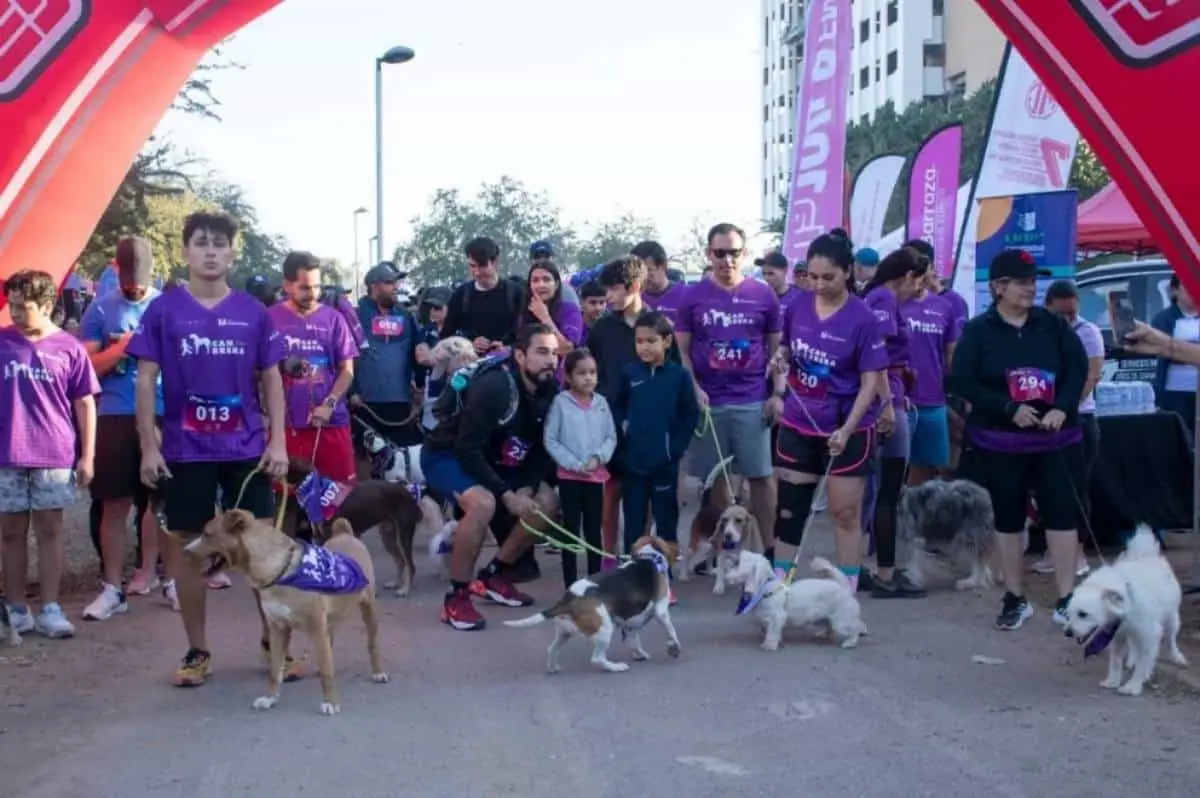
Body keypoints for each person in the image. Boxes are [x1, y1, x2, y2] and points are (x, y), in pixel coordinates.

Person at [127, 210, 291, 686]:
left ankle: (273, 644)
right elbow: (144, 379)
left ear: (233, 253)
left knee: (260, 548)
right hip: (184, 449)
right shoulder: (163, 310)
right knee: (188, 553)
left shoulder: (253, 313)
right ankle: (197, 652)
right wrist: (148, 448)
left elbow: (272, 378)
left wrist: (277, 439)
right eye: (201, 243)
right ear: (185, 252)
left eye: (220, 243)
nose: (211, 251)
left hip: (245, 450)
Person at [947, 248, 1089, 631]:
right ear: (998, 287)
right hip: (1001, 441)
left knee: (1061, 515)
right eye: (1022, 282)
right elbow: (960, 380)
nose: (1031, 288)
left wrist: (1062, 406)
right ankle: (1015, 597)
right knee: (1008, 519)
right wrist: (1008, 408)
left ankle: (1067, 599)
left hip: (1055, 439)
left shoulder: (1052, 325)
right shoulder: (979, 330)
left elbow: (1078, 368)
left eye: (1033, 281)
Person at [421, 324, 561, 631]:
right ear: (521, 356)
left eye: (554, 353)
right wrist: (507, 495)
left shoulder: (550, 389)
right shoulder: (496, 387)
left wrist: (528, 485)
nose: (551, 360)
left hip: (496, 459)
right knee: (483, 504)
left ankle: (494, 576)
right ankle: (456, 598)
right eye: (542, 352)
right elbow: (467, 448)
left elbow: (542, 446)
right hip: (448, 455)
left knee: (546, 500)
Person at [770, 233, 885, 588]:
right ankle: (779, 591)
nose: (819, 285)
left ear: (848, 272)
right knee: (790, 510)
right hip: (798, 423)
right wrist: (781, 357)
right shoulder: (798, 306)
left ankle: (846, 597)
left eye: (828, 277)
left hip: (846, 430)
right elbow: (788, 347)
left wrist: (847, 429)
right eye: (813, 277)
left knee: (844, 513)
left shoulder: (863, 318)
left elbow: (871, 383)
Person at [0, 270, 99, 639]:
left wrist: (87, 456)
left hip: (54, 453)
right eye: (10, 306)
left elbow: (85, 403)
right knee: (10, 532)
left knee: (50, 529)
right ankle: (15, 609)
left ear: (45, 305)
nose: (14, 314)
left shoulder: (69, 348)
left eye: (22, 307)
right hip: (6, 452)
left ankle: (51, 608)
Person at [676, 223, 781, 558]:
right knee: (715, 483)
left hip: (752, 400)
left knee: (761, 478)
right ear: (709, 254)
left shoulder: (763, 295)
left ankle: (769, 550)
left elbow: (780, 352)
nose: (726, 260)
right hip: (710, 403)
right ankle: (727, 552)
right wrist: (693, 388)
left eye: (733, 252)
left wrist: (778, 393)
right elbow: (680, 351)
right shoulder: (691, 297)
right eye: (719, 253)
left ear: (744, 254)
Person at [79, 237, 167, 621]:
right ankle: (112, 588)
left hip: (162, 412)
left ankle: (156, 574)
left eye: (142, 280)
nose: (136, 287)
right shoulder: (100, 307)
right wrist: (122, 349)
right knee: (114, 503)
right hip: (115, 412)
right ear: (116, 269)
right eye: (129, 279)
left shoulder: (167, 307)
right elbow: (85, 370)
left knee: (160, 502)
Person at [268, 252, 358, 533]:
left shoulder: (334, 319)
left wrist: (330, 404)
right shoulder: (270, 319)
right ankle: (291, 570)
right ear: (287, 284)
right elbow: (257, 371)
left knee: (338, 501)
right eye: (305, 287)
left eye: (317, 286)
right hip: (287, 428)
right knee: (286, 503)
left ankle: (341, 565)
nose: (313, 293)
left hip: (330, 424)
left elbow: (347, 370)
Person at [614, 311, 700, 590]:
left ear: (666, 341)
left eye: (651, 341)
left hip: (665, 464)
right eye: (639, 341)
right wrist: (623, 447)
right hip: (634, 463)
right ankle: (632, 575)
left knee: (666, 520)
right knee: (634, 521)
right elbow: (616, 410)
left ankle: (664, 578)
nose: (644, 347)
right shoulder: (629, 373)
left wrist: (674, 449)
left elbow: (689, 416)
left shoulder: (678, 376)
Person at [860, 247, 927, 598]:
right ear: (906, 276)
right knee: (888, 491)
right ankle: (884, 572)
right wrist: (887, 403)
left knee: (878, 490)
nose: (918, 291)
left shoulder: (873, 297)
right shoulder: (884, 300)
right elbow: (878, 356)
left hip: (883, 398)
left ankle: (872, 566)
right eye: (917, 282)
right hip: (886, 402)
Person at [587, 256, 649, 570]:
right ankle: (608, 557)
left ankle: (642, 559)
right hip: (609, 419)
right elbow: (591, 371)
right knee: (610, 491)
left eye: (612, 290)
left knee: (643, 494)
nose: (607, 298)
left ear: (634, 287)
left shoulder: (657, 326)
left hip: (646, 422)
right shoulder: (601, 329)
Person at [1041, 280, 1103, 578]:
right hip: (1044, 422)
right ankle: (1053, 551)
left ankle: (1078, 554)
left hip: (1079, 418)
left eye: (1071, 314)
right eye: (1060, 315)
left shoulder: (1087, 332)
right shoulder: (1039, 332)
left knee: (1076, 489)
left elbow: (1091, 376)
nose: (1067, 321)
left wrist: (1064, 406)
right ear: (1048, 306)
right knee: (1049, 489)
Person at [544, 348, 616, 586]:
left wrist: (598, 458)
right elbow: (551, 439)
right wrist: (574, 465)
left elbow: (610, 437)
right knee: (571, 531)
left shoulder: (602, 403)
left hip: (595, 478)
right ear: (568, 377)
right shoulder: (561, 403)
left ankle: (594, 583)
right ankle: (571, 585)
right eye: (582, 373)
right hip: (569, 478)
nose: (588, 378)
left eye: (592, 372)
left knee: (594, 531)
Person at [350, 262, 420, 456]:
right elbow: (344, 357)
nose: (396, 287)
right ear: (374, 286)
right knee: (367, 460)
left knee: (401, 457)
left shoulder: (406, 317)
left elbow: (418, 351)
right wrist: (351, 391)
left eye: (396, 282)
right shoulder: (355, 316)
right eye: (390, 282)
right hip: (365, 404)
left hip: (400, 403)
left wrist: (420, 387)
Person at [902, 267, 961, 485]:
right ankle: (886, 516)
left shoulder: (944, 307)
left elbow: (951, 353)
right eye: (912, 273)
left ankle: (914, 514)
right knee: (892, 468)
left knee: (926, 467)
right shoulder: (890, 305)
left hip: (932, 400)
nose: (917, 279)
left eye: (922, 273)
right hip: (899, 403)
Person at [440, 237, 525, 353]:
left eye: (482, 266)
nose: (477, 272)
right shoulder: (460, 295)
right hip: (471, 365)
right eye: (472, 266)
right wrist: (469, 345)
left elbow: (529, 335)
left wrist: (508, 348)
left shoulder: (516, 294)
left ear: (495, 262)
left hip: (509, 365)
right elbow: (446, 337)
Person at [1149, 274, 1199, 438]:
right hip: (1174, 394)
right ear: (1175, 290)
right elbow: (1160, 348)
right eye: (1188, 285)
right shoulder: (1163, 319)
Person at [519, 260, 584, 356]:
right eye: (535, 280)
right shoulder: (525, 312)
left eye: (546, 279)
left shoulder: (570, 310)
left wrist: (544, 317)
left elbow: (566, 350)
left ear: (556, 284)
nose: (541, 285)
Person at [634, 240, 687, 330]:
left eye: (648, 270)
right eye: (638, 272)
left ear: (664, 266)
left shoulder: (686, 296)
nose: (643, 277)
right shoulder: (633, 297)